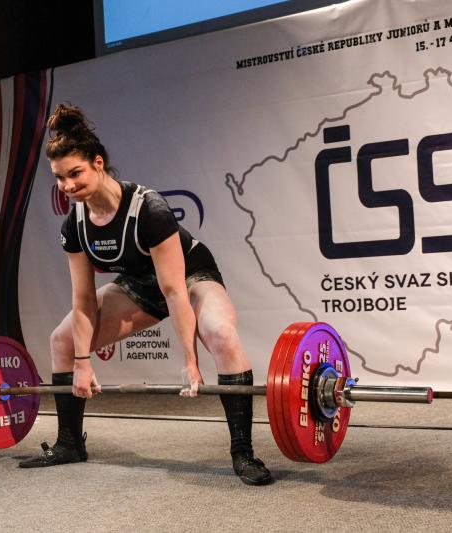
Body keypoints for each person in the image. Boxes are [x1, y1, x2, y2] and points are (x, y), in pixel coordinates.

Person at [18, 104, 272, 485]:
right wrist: (83, 362)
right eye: (60, 178)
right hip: (140, 284)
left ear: (98, 163)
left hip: (189, 276)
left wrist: (190, 361)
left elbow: (174, 290)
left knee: (221, 334)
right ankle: (69, 442)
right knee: (63, 342)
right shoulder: (76, 225)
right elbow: (84, 300)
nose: (68, 186)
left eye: (75, 173)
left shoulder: (148, 209)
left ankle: (243, 453)